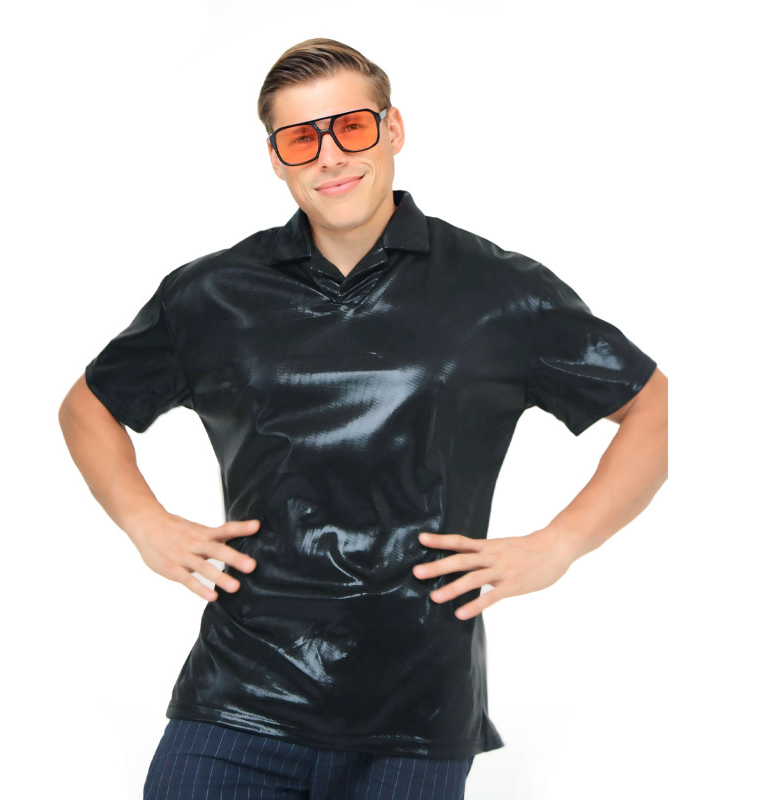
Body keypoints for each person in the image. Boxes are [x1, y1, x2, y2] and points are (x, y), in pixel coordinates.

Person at [59, 38, 668, 800]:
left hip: (417, 709)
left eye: (350, 127)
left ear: (392, 129)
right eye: (300, 138)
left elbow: (653, 405)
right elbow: (88, 404)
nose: (330, 156)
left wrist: (561, 544)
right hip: (239, 695)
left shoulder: (497, 291)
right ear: (276, 159)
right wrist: (143, 522)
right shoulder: (213, 295)